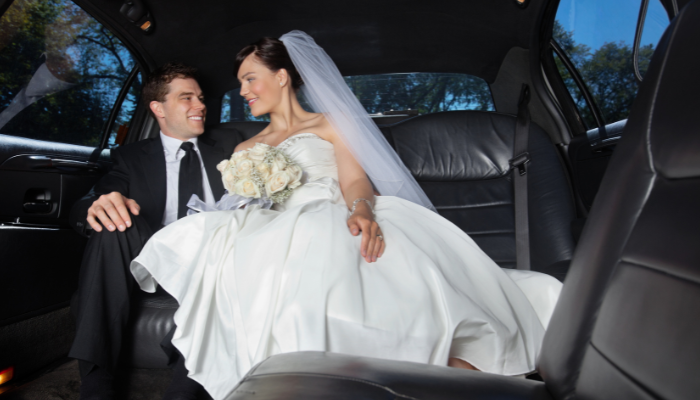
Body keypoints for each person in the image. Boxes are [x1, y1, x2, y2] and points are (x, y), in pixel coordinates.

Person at [130, 31, 563, 400]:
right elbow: (244, 200)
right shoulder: (245, 150)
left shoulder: (329, 124)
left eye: (250, 79)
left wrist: (361, 212)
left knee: (340, 267)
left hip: (334, 214)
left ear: (281, 77)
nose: (243, 91)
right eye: (240, 82)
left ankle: (440, 371)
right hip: (276, 228)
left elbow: (356, 182)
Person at [68, 62, 236, 399]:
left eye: (201, 98)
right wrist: (97, 206)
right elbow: (89, 200)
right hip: (152, 256)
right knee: (114, 222)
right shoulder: (130, 158)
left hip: (215, 256)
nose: (201, 106)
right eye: (186, 98)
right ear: (158, 108)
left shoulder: (231, 146)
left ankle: (187, 383)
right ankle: (96, 381)